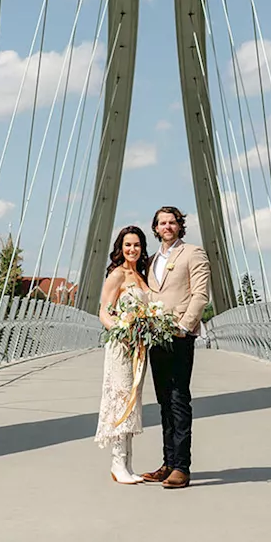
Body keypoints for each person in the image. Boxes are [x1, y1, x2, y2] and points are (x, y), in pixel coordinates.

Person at [142, 206, 209, 489]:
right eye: (162, 223)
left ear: (180, 226)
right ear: (155, 228)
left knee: (179, 399)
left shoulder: (193, 253)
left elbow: (201, 293)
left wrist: (184, 326)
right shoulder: (152, 260)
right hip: (155, 337)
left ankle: (182, 466)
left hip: (180, 337)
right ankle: (168, 463)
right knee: (163, 401)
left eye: (172, 222)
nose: (167, 227)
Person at [94, 225, 151, 484]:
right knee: (120, 399)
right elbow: (104, 312)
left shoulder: (141, 276)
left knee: (132, 400)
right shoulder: (117, 275)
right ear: (120, 247)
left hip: (139, 348)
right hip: (121, 347)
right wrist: (122, 329)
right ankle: (117, 464)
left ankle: (127, 464)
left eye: (137, 245)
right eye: (128, 245)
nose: (132, 249)